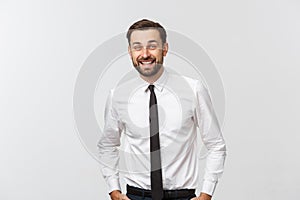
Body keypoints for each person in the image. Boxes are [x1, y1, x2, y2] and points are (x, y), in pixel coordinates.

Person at [98, 19, 227, 200]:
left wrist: (206, 194)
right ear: (130, 52)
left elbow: (216, 144)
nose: (144, 54)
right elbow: (108, 144)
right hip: (136, 195)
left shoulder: (193, 90)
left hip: (181, 196)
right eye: (137, 47)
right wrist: (114, 190)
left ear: (165, 49)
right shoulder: (118, 96)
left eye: (152, 46)